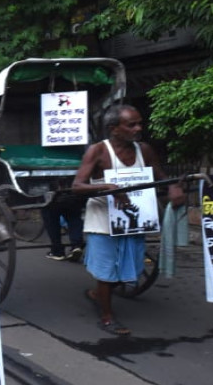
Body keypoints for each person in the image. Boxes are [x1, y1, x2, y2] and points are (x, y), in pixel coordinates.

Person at [71, 104, 184, 336]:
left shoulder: (145, 150)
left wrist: (173, 187)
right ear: (114, 128)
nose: (138, 128)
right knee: (106, 272)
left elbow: (161, 177)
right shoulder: (98, 151)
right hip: (103, 221)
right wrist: (107, 187)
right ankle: (106, 317)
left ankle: (96, 294)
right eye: (131, 124)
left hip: (134, 220)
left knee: (129, 270)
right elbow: (77, 186)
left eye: (139, 123)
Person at [42, 192, 85, 261]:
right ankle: (77, 245)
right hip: (72, 194)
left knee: (51, 221)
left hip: (52, 197)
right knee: (74, 218)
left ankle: (57, 251)